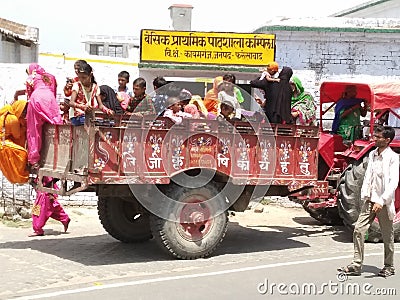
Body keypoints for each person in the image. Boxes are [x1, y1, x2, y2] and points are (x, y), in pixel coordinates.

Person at [338, 125, 399, 277]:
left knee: (387, 235)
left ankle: (389, 266)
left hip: (383, 202)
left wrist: (382, 200)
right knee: (358, 230)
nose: (375, 139)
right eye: (375, 136)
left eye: (378, 138)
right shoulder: (372, 155)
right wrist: (366, 195)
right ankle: (356, 264)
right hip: (369, 199)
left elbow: (393, 182)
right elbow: (368, 177)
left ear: (387, 140)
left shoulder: (393, 158)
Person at [25, 63, 63, 170]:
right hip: (50, 98)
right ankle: (61, 154)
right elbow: (54, 92)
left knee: (34, 130)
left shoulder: (30, 78)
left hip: (36, 97)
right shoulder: (50, 77)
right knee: (57, 124)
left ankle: (34, 160)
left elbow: (29, 95)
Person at [0, 100, 29, 184]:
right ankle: (20, 176)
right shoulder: (13, 119)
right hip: (3, 143)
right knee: (22, 153)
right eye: (23, 111)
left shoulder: (7, 113)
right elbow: (17, 135)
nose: (24, 114)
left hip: (3, 141)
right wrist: (24, 127)